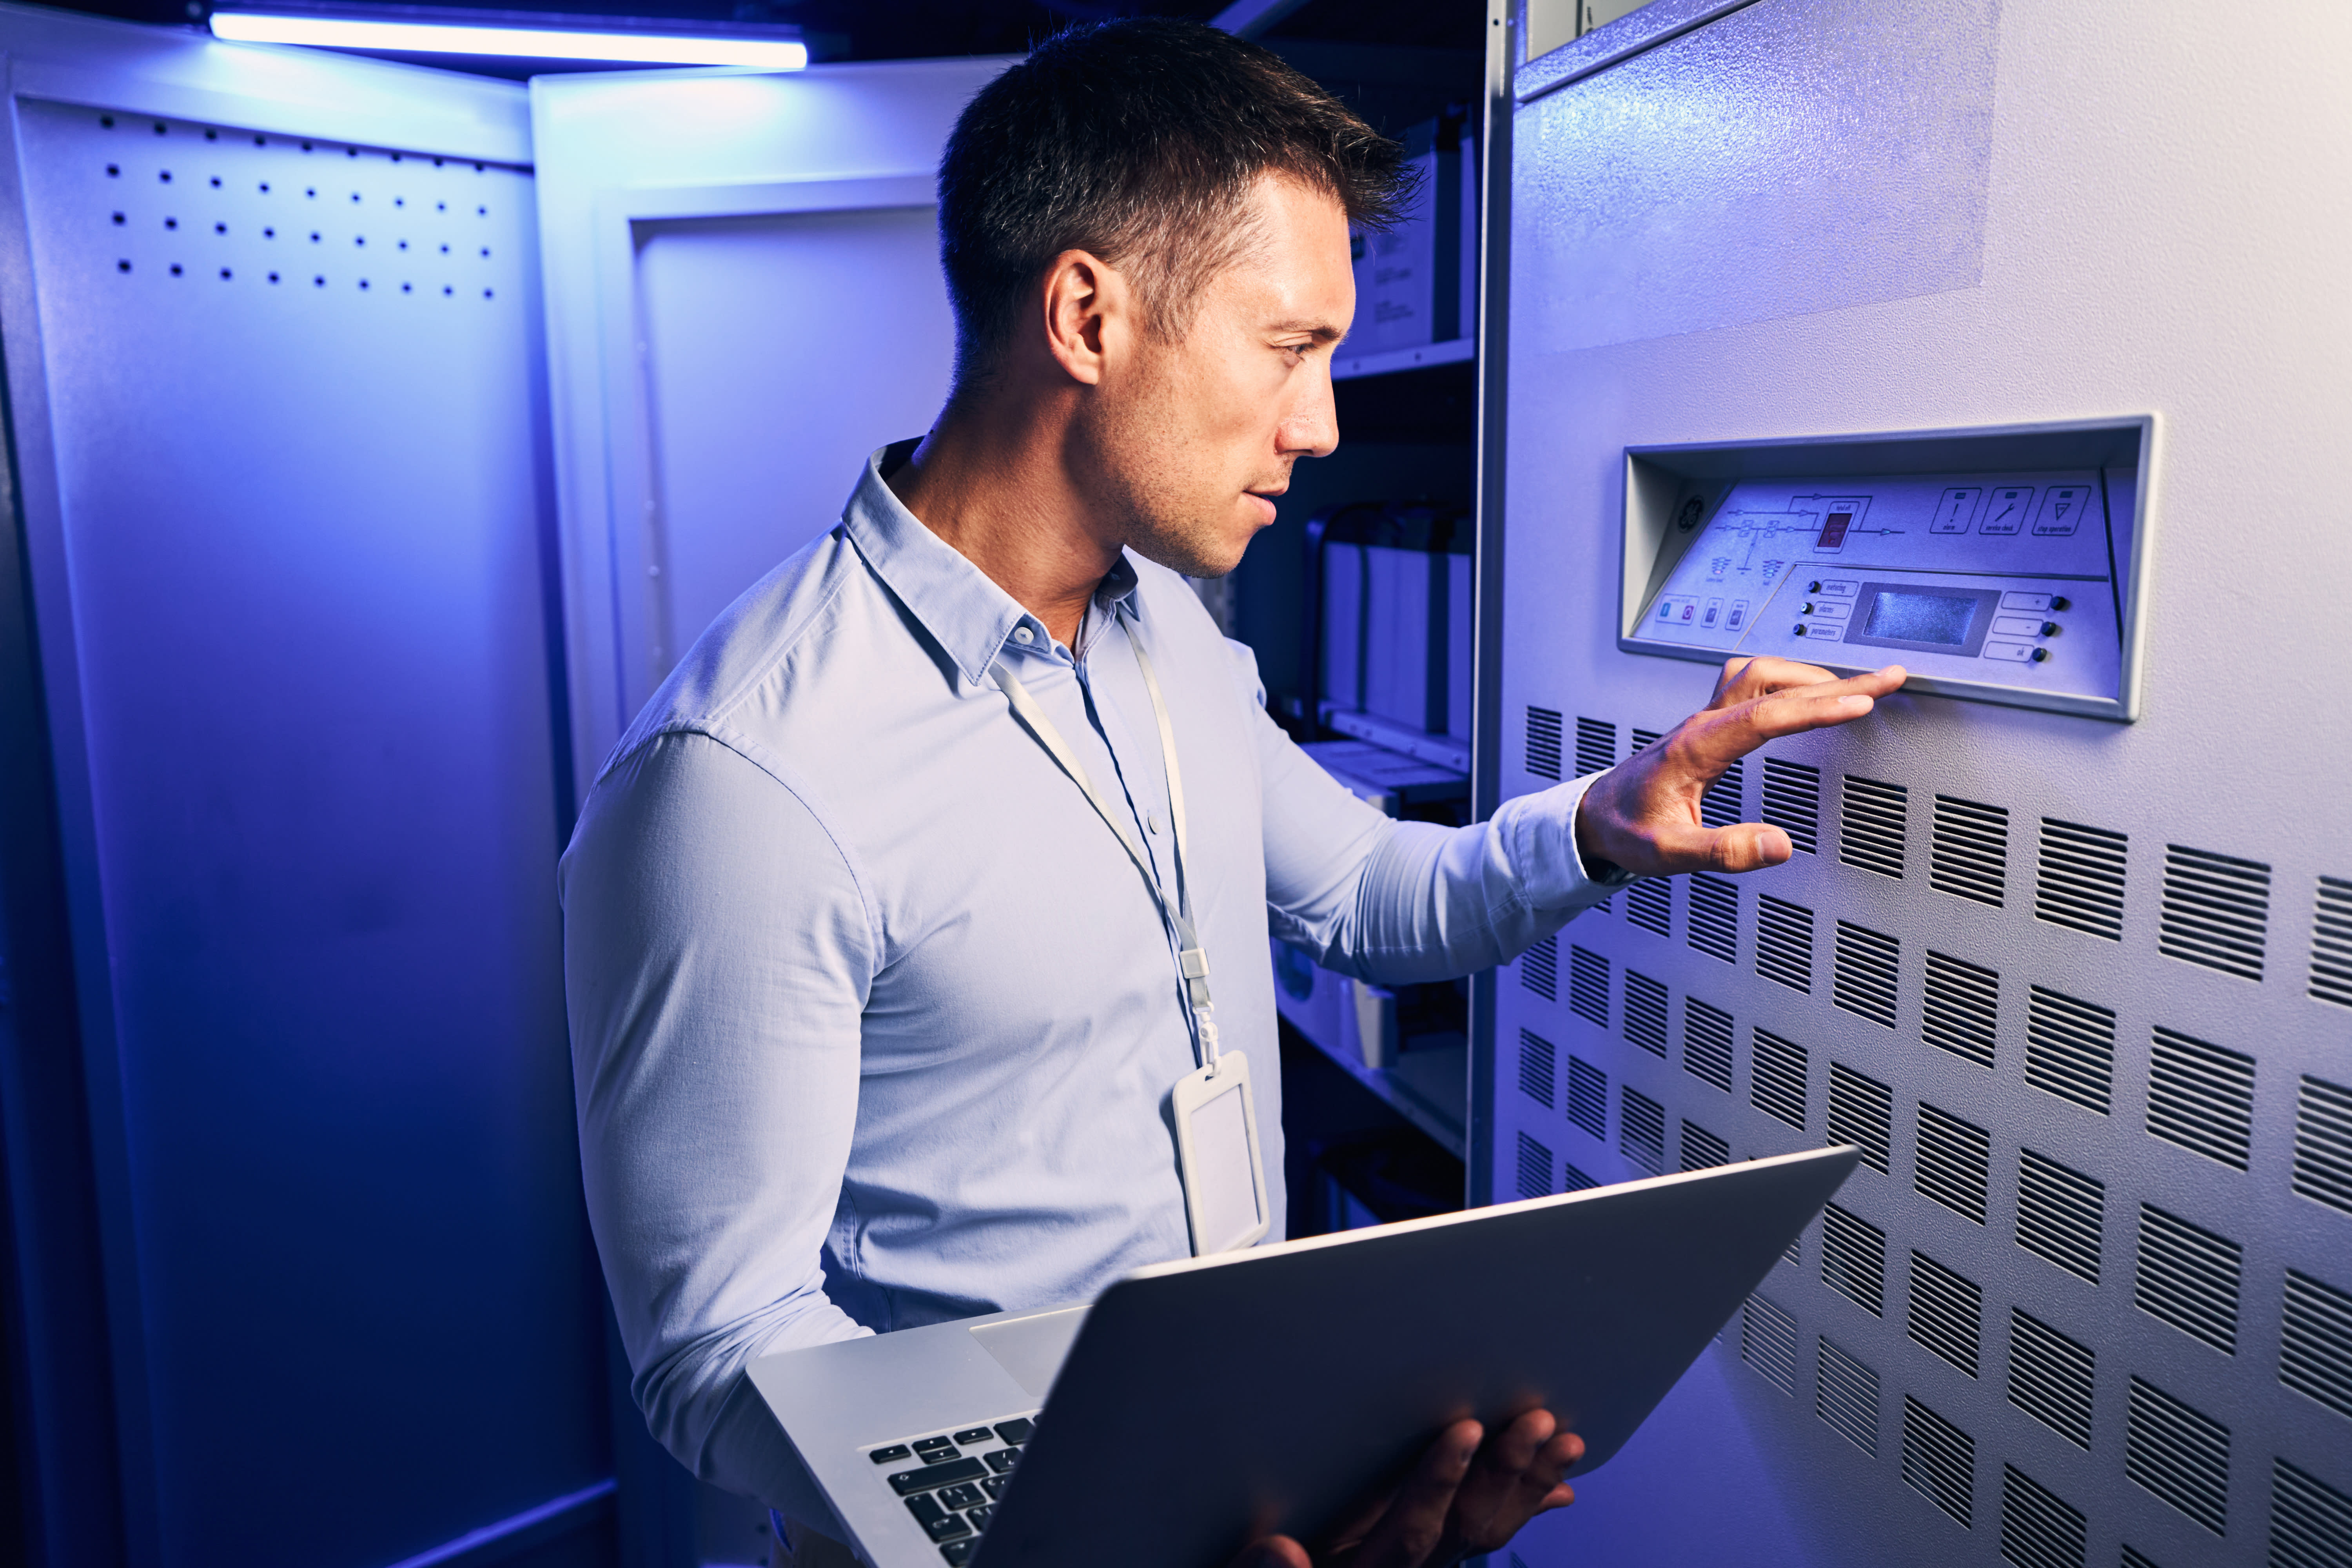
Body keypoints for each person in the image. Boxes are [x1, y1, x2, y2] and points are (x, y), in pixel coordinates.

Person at [558, 18, 1905, 1568]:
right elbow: (720, 1348)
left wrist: (1602, 823)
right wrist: (1096, 1525)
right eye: (1289, 347)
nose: (1321, 422)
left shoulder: (1172, 634)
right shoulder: (742, 777)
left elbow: (1366, 897)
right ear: (1086, 316)